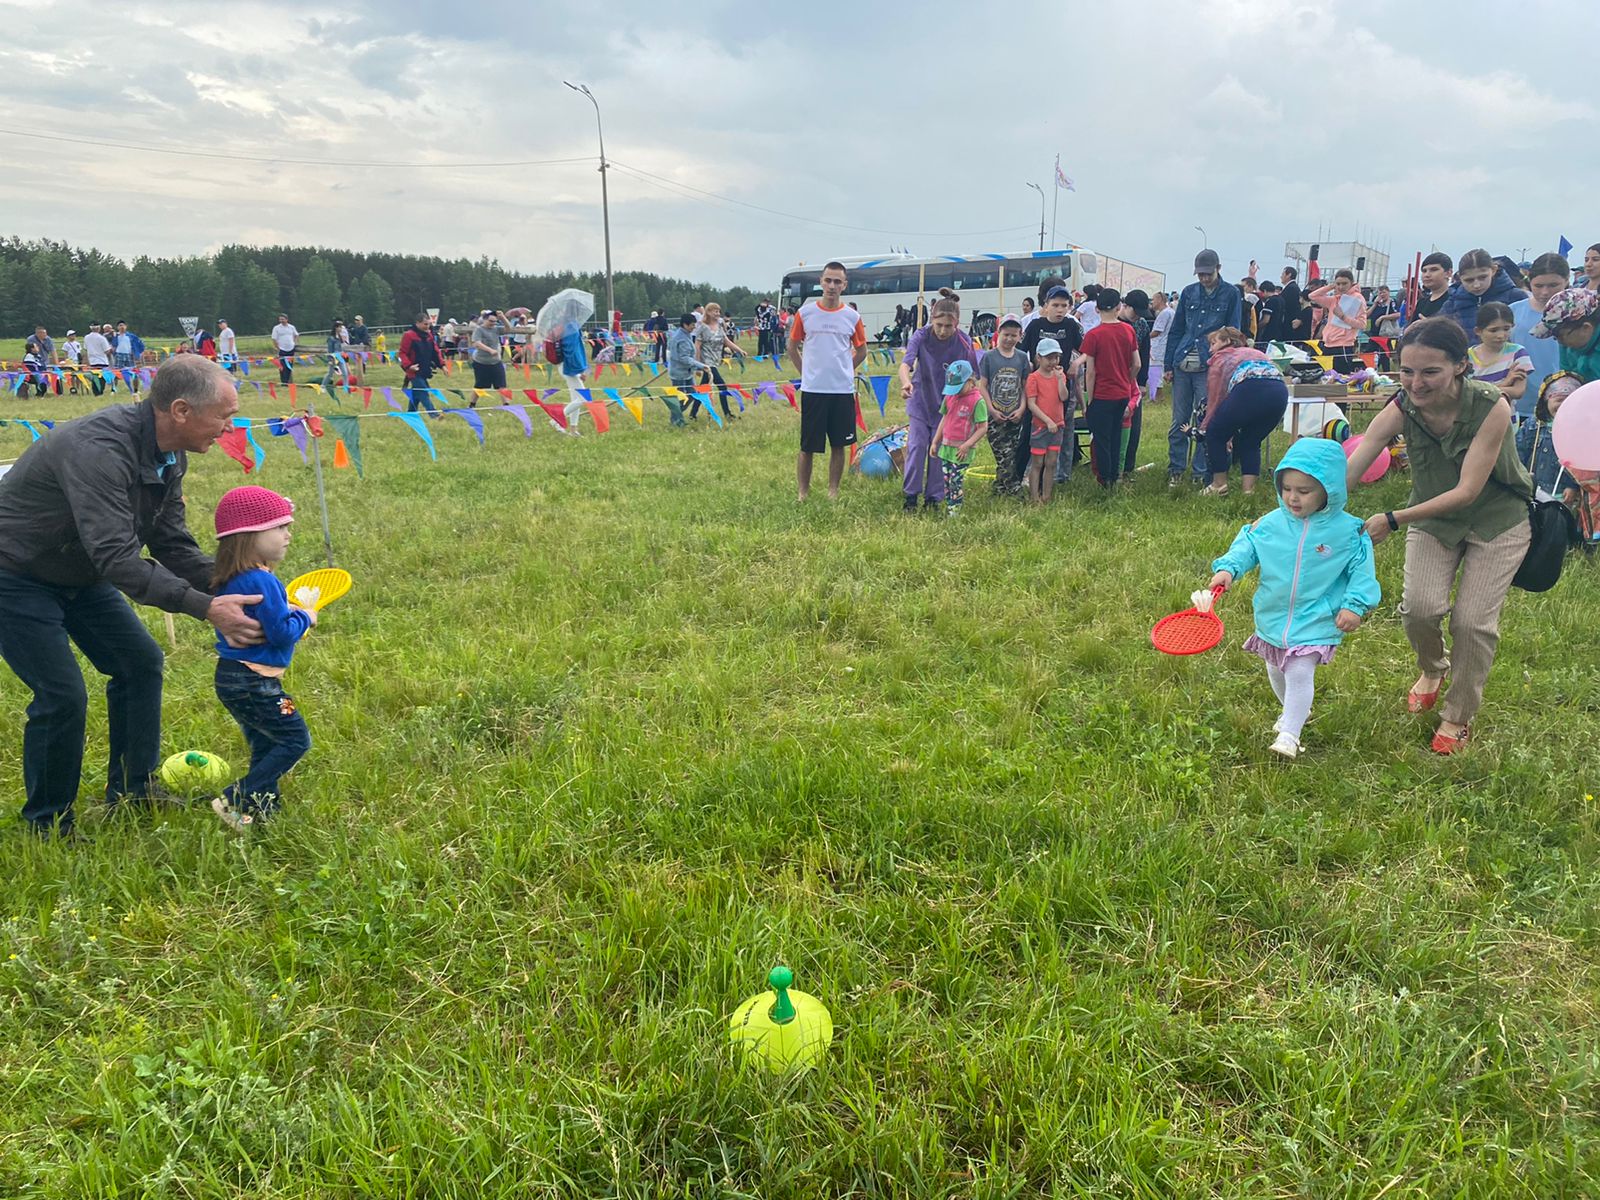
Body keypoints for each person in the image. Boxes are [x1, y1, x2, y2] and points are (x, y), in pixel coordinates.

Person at [0, 356, 263, 839]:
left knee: (140, 664)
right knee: (62, 695)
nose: (230, 427)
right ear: (181, 410)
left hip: (77, 570)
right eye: (224, 416)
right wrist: (207, 608)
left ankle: (132, 791)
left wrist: (235, 585)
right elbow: (117, 559)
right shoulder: (98, 449)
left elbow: (170, 541)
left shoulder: (169, 452)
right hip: (14, 572)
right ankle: (47, 822)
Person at [1346, 318, 1533, 755]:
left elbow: (1467, 492)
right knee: (1419, 610)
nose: (1415, 382)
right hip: (1433, 520)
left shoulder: (1492, 406)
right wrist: (1304, 505)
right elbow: (1354, 465)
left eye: (1430, 371)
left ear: (1459, 367)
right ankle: (1432, 669)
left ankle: (1458, 716)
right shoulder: (1402, 404)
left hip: (1497, 520)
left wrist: (1393, 519)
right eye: (1407, 371)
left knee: (1471, 622)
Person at [1208, 439, 1381, 759]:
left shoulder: (1348, 532)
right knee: (1276, 668)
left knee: (1299, 670)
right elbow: (1248, 547)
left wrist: (1354, 605)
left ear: (1328, 491)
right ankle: (1292, 713)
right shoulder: (1272, 523)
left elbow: (1361, 570)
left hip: (1317, 617)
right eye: (1287, 488)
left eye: (1304, 490)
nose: (1293, 497)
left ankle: (1290, 733)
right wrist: (1229, 569)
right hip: (1272, 615)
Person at [207, 485, 315, 831]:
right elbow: (281, 632)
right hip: (256, 683)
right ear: (249, 536)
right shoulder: (260, 580)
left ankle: (262, 810)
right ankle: (236, 798)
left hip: (234, 678)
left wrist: (288, 611)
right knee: (295, 739)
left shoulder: (236, 576)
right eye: (280, 527)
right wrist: (306, 616)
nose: (288, 535)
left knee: (266, 742)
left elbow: (268, 619)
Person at [789, 261, 866, 502]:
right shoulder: (806, 313)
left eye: (837, 281)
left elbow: (862, 350)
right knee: (808, 446)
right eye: (828, 280)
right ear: (821, 282)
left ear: (844, 285)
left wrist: (845, 370)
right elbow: (792, 346)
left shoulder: (852, 317)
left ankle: (833, 491)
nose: (832, 286)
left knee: (838, 445)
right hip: (813, 390)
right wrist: (806, 374)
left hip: (841, 391)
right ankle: (803, 492)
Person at [1165, 250, 1242, 486]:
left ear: (1218, 268)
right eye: (1200, 274)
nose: (1204, 278)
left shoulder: (1231, 293)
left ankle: (1200, 471)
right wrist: (1168, 364)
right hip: (1182, 360)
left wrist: (1229, 364)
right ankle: (1176, 468)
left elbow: (1233, 331)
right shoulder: (1188, 292)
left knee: (1206, 419)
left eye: (1208, 274)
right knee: (1179, 418)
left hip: (1212, 366)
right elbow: (1177, 329)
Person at [898, 297, 978, 511]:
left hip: (947, 408)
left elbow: (972, 377)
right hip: (920, 401)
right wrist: (906, 383)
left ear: (957, 323)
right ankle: (911, 497)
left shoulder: (964, 342)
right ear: (931, 320)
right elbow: (906, 364)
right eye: (939, 325)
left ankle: (934, 498)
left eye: (948, 326)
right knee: (917, 446)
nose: (943, 331)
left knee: (939, 452)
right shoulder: (921, 336)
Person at [1198, 327, 1288, 496]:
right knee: (1251, 440)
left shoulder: (1220, 357)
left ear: (1227, 342)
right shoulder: (1255, 352)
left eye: (1213, 343)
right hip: (1279, 392)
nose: (1210, 349)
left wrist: (1208, 424)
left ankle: (1219, 484)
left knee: (1215, 433)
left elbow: (1216, 395)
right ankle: (1248, 491)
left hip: (1250, 388)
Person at [1020, 284, 1085, 486]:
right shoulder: (1035, 326)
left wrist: (1076, 362)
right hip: (1037, 386)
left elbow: (1086, 350)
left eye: (1064, 306)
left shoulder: (1071, 326)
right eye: (1055, 305)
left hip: (1060, 386)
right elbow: (1023, 352)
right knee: (1035, 430)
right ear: (1046, 305)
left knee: (1063, 429)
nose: (1059, 310)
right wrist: (1028, 367)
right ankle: (1029, 473)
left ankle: (1061, 475)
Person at [1508, 253, 1569, 465]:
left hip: (1563, 402)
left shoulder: (1578, 314)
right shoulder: (1513, 313)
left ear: (1567, 281)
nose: (1545, 292)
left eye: (1554, 285)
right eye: (1538, 285)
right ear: (1529, 283)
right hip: (1522, 402)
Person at [1078, 287, 1139, 489]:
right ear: (1119, 306)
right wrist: (1127, 380)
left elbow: (1091, 372)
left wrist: (1090, 398)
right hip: (1122, 392)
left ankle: (1105, 480)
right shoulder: (1128, 330)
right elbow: (1137, 363)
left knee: (1101, 440)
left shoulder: (1093, 335)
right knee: (1115, 437)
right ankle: (1115, 475)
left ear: (1096, 309)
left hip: (1102, 394)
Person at [978, 314, 1031, 497]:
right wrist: (991, 409)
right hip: (995, 416)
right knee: (1003, 453)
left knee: (1012, 453)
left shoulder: (1022, 358)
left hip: (1015, 414)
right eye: (1006, 334)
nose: (1009, 339)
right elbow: (982, 385)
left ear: (1020, 336)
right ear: (998, 333)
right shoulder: (989, 357)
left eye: (1013, 335)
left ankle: (999, 488)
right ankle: (1014, 489)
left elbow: (1025, 387)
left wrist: (1022, 408)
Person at [929, 361, 989, 517]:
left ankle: (954, 513)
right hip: (946, 447)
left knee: (956, 481)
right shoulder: (950, 397)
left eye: (958, 388)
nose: (955, 392)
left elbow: (982, 427)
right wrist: (935, 441)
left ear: (970, 381)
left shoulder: (977, 401)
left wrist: (967, 445)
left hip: (962, 451)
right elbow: (944, 419)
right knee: (947, 480)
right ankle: (950, 506)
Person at [1441, 248, 1528, 338]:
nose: (1476, 285)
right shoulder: (1453, 302)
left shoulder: (1516, 297)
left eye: (1482, 277)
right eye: (1469, 280)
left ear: (1493, 270)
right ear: (1460, 278)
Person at [1024, 338, 1069, 504]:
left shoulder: (1060, 375)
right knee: (1037, 463)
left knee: (1051, 462)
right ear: (1039, 358)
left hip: (1057, 425)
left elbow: (1063, 397)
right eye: (1048, 357)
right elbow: (1031, 404)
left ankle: (1047, 496)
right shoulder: (1033, 378)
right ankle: (1034, 497)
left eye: (1056, 357)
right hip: (1040, 426)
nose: (1053, 361)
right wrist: (1047, 420)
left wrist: (1059, 379)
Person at [1529, 287, 1600, 382]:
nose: (1559, 341)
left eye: (1560, 335)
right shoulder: (1567, 346)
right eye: (1555, 336)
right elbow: (1568, 378)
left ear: (1586, 328)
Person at [1468, 302, 1532, 407]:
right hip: (1476, 419)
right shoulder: (1468, 357)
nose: (1501, 335)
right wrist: (1504, 383)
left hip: (1507, 418)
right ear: (1478, 331)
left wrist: (1483, 390)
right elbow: (1467, 393)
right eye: (1493, 330)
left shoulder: (1518, 353)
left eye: (1506, 329)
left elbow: (1517, 391)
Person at [1307, 269, 1368, 372]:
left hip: (1344, 345)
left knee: (1341, 379)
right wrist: (1330, 287)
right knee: (1326, 377)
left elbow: (1362, 324)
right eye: (1338, 284)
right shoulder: (1335, 299)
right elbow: (1312, 296)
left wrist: (1343, 317)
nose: (1341, 287)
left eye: (1344, 283)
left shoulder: (1358, 298)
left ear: (1351, 283)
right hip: (1328, 343)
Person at [691, 302, 744, 422]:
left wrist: (740, 350)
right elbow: (697, 346)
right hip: (707, 363)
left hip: (715, 361)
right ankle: (727, 413)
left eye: (719, 311)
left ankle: (692, 414)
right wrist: (698, 365)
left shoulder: (720, 327)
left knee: (702, 389)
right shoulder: (702, 328)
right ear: (708, 312)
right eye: (715, 311)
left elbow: (727, 342)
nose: (718, 313)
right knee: (722, 386)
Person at [1120, 290, 1154, 476]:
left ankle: (1128, 468)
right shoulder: (1114, 324)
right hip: (1115, 380)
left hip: (1134, 383)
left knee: (1134, 427)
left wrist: (1142, 382)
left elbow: (1144, 356)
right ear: (1125, 306)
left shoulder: (1141, 325)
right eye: (1135, 312)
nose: (1138, 316)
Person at [663, 313, 706, 426]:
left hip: (686, 372)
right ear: (685, 325)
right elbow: (684, 358)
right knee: (681, 397)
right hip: (679, 373)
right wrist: (701, 366)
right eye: (692, 325)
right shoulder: (680, 338)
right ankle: (676, 420)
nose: (694, 327)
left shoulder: (684, 334)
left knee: (692, 393)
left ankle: (677, 416)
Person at [398, 312, 442, 413]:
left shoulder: (429, 336)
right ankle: (433, 414)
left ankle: (411, 413)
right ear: (417, 323)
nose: (428, 326)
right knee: (423, 391)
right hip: (413, 371)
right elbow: (402, 353)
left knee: (416, 392)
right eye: (425, 324)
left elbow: (435, 351)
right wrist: (409, 366)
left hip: (425, 369)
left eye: (429, 324)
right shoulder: (408, 335)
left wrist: (442, 365)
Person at [470, 310, 510, 392]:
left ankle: (506, 404)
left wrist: (503, 317)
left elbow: (508, 329)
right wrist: (490, 350)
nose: (493, 323)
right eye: (491, 321)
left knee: (502, 385)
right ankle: (472, 404)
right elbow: (476, 343)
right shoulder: (479, 329)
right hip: (481, 362)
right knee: (480, 387)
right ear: (484, 319)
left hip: (496, 361)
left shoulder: (496, 329)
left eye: (495, 321)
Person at [1409, 252, 1453, 323]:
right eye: (1424, 271)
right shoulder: (1421, 303)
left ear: (1448, 273)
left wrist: (1431, 327)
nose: (1427, 275)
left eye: (1434, 269)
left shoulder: (1455, 301)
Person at [1147, 291, 1172, 398]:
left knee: (1154, 371)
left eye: (1153, 300)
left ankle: (1155, 397)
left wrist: (1144, 337)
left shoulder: (1164, 313)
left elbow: (1157, 331)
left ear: (1159, 300)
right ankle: (1157, 396)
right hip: (1164, 345)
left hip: (1159, 346)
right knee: (1158, 371)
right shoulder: (1170, 312)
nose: (1152, 303)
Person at [1275, 266, 1307, 342]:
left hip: (1288, 324)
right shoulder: (1291, 287)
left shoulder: (1291, 288)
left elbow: (1288, 306)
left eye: (1283, 274)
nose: (1281, 276)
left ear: (1289, 275)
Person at [113, 321, 145, 393]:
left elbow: (140, 344)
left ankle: (136, 389)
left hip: (129, 355)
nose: (122, 327)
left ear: (126, 326)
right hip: (119, 355)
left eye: (123, 325)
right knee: (116, 373)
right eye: (120, 325)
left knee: (134, 372)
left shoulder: (131, 336)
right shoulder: (115, 336)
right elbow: (113, 345)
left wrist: (138, 353)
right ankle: (114, 389)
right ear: (117, 327)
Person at [82, 322, 111, 396]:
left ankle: (95, 392)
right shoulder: (101, 338)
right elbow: (107, 351)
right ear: (98, 328)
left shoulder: (86, 337)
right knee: (101, 378)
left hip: (92, 361)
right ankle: (100, 392)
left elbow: (85, 349)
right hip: (102, 361)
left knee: (94, 378)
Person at [321, 320, 348, 393]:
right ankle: (323, 386)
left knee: (345, 373)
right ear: (336, 328)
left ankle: (346, 388)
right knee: (330, 373)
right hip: (333, 358)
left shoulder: (340, 337)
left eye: (341, 327)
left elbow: (341, 347)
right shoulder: (331, 338)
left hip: (340, 357)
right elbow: (330, 350)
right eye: (339, 327)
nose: (341, 329)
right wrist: (330, 359)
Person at [271, 313, 298, 384]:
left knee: (289, 366)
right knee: (282, 366)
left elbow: (296, 335)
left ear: (287, 319)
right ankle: (284, 382)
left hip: (291, 349)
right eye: (280, 319)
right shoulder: (276, 328)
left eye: (283, 319)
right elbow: (274, 338)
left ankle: (288, 381)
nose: (281, 321)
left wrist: (294, 343)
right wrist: (277, 347)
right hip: (282, 349)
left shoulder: (291, 327)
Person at [347, 315, 370, 383]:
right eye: (356, 320)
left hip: (362, 345)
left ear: (361, 320)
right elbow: (353, 335)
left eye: (358, 320)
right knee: (357, 358)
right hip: (356, 345)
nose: (356, 321)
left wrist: (363, 343)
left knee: (362, 359)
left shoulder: (364, 328)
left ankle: (363, 371)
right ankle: (359, 371)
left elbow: (365, 336)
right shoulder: (356, 328)